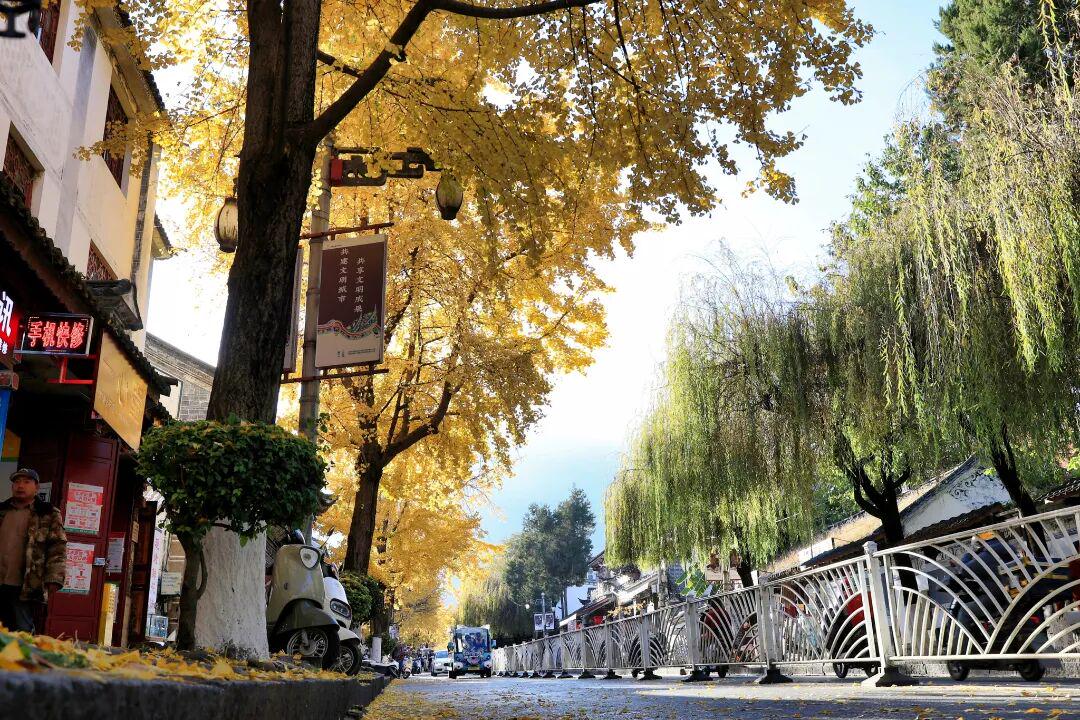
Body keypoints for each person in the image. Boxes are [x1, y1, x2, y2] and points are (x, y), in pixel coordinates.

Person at [0, 468, 66, 632]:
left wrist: (54, 578)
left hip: (25, 583)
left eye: (26, 482)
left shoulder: (48, 513)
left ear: (36, 487)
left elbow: (57, 547)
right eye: (17, 482)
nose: (20, 486)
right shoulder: (2, 510)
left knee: (22, 629)